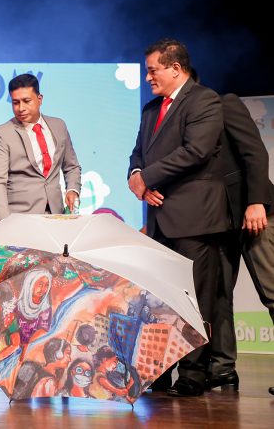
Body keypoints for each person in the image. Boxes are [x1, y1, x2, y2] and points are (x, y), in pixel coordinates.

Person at [127, 38, 227, 396]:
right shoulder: (151, 109)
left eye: (152, 70)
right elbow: (138, 153)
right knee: (161, 300)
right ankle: (161, 370)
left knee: (195, 299)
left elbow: (196, 151)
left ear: (175, 68)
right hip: (159, 218)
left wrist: (148, 177)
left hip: (195, 218)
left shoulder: (204, 100)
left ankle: (194, 373)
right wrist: (136, 178)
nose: (148, 77)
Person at [206, 91, 274, 394]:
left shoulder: (224, 103)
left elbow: (255, 153)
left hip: (253, 213)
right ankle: (222, 368)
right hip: (217, 220)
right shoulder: (182, 118)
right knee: (219, 294)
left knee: (272, 290)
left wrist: (256, 201)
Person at [0, 73, 81, 223]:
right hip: (20, 219)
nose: (21, 108)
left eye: (26, 101)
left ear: (40, 99)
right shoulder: (2, 134)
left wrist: (72, 190)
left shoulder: (59, 126)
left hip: (56, 216)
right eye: (15, 103)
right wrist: (4, 223)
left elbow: (71, 166)